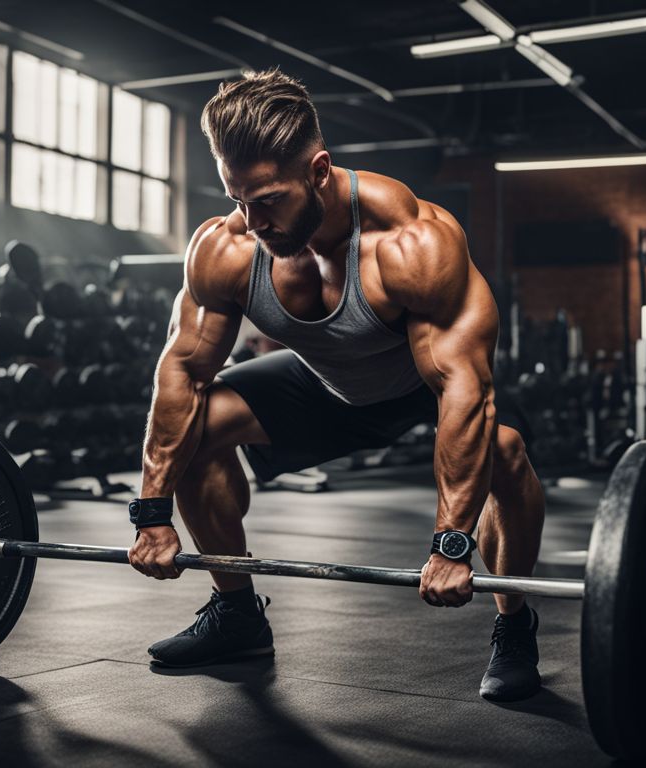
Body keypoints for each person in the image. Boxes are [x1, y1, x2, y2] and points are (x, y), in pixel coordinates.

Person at [126, 69, 548, 702]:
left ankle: (514, 625)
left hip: (414, 381)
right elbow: (182, 371)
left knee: (506, 454)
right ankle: (237, 613)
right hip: (325, 380)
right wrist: (152, 512)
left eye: (269, 198)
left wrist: (451, 543)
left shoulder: (412, 242)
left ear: (318, 171)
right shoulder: (227, 247)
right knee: (197, 426)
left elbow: (464, 388)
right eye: (238, 197)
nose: (253, 218)